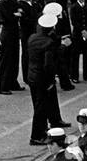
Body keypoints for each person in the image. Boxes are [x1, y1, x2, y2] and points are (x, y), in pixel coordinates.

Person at [27, 12, 64, 145]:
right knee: (41, 108)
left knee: (39, 105)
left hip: (32, 76)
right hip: (42, 79)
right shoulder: (48, 43)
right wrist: (50, 81)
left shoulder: (32, 38)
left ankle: (43, 130)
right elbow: (48, 65)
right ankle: (36, 136)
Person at [0, 0, 23, 94]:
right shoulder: (4, 1)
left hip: (13, 32)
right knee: (6, 61)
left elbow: (17, 11)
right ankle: (2, 86)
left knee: (14, 59)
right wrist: (16, 14)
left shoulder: (12, 0)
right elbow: (8, 17)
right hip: (7, 33)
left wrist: (16, 14)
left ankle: (12, 82)